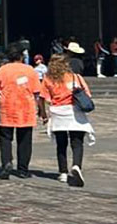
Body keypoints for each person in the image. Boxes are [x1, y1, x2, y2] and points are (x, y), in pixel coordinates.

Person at [0, 44, 43, 180]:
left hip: (7, 109)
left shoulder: (2, 70)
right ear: (21, 56)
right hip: (26, 110)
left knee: (5, 139)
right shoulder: (30, 70)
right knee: (25, 140)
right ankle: (23, 169)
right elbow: (37, 92)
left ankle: (6, 163)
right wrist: (41, 110)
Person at [40, 55, 94, 187]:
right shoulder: (76, 77)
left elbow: (42, 98)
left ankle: (63, 172)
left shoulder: (48, 79)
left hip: (58, 113)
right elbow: (88, 94)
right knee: (77, 143)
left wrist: (43, 114)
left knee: (61, 144)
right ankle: (76, 165)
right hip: (75, 112)